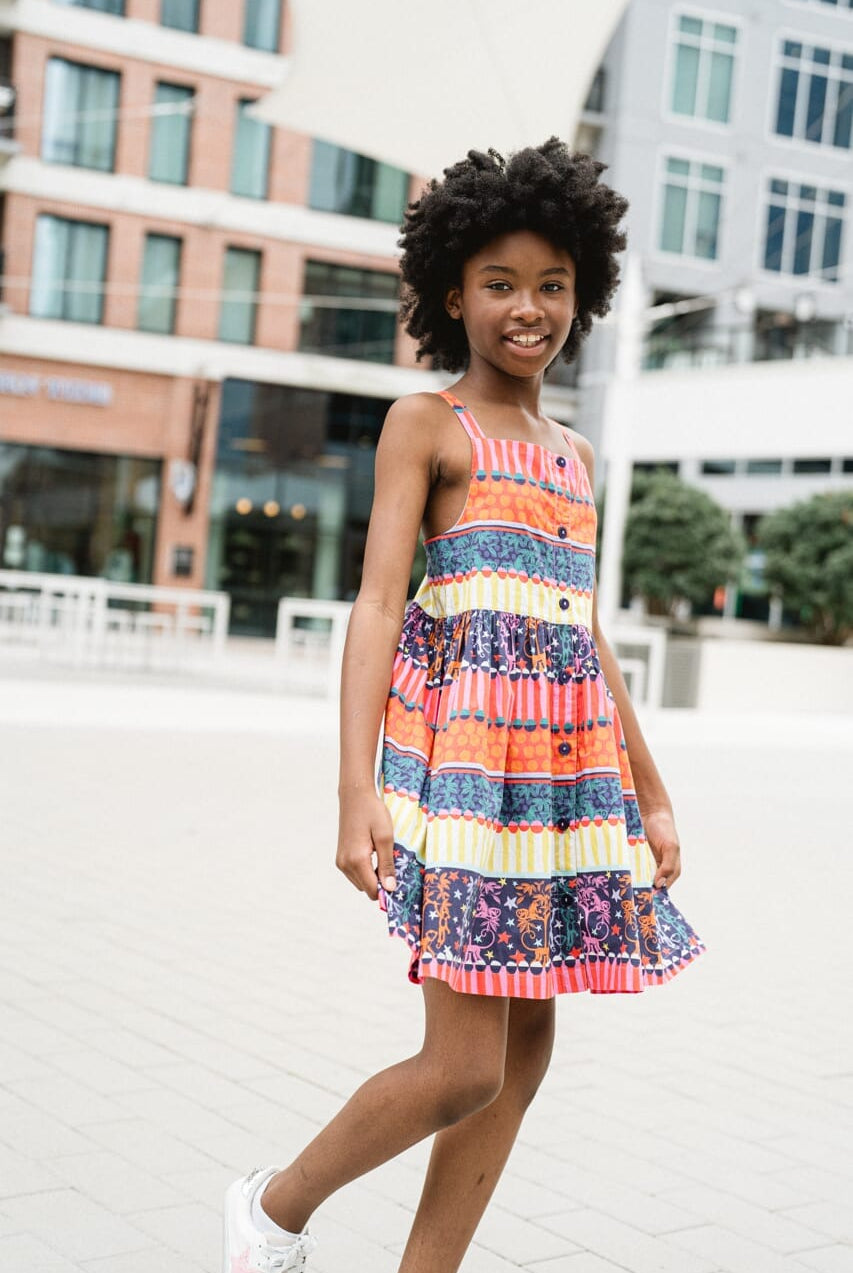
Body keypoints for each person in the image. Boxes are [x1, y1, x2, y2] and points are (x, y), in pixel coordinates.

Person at [223, 138, 704, 1273]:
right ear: (451, 293)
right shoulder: (425, 424)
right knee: (466, 1063)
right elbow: (379, 604)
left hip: (559, 787)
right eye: (498, 282)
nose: (526, 308)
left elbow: (579, 632)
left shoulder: (578, 457)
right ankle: (270, 1210)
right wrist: (355, 796)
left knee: (525, 1050)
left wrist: (653, 795)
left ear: (581, 293)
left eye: (551, 284)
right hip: (465, 775)